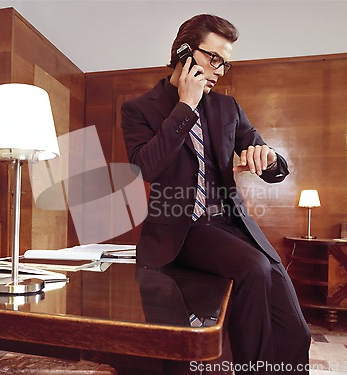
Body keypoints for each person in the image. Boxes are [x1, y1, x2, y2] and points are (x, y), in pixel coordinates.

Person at [121, 14, 311, 375]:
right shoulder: (138, 109)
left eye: (226, 63)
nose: (220, 71)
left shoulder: (228, 108)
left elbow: (274, 164)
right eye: (215, 59)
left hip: (234, 224)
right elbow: (146, 168)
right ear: (184, 52)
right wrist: (185, 106)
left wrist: (267, 158)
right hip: (183, 228)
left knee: (295, 330)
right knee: (252, 269)